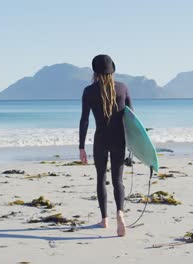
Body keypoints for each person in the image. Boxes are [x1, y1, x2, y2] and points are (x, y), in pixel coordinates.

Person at [79, 54, 132, 237]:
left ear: (94, 72)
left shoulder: (89, 91)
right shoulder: (122, 88)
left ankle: (104, 219)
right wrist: (134, 145)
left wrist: (81, 147)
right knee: (118, 180)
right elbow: (132, 120)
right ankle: (120, 213)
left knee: (101, 178)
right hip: (119, 140)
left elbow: (84, 120)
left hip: (100, 139)